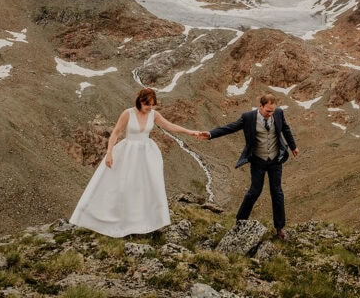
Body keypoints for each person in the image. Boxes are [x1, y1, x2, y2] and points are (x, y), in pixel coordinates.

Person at [70, 88, 199, 237]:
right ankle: (115, 220)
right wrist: (109, 152)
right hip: (128, 153)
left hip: (147, 154)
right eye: (147, 104)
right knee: (123, 186)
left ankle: (144, 222)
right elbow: (116, 132)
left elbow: (170, 126)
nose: (150, 107)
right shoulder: (128, 113)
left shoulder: (154, 114)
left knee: (146, 187)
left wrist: (191, 132)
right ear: (140, 101)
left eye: (152, 104)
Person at [197, 93, 299, 239]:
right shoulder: (248, 117)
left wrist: (293, 147)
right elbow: (230, 128)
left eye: (272, 111)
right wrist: (210, 134)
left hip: (275, 160)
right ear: (260, 107)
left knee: (277, 192)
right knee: (254, 191)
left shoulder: (278, 113)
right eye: (268, 111)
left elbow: (286, 129)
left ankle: (279, 228)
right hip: (258, 160)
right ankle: (240, 221)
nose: (270, 114)